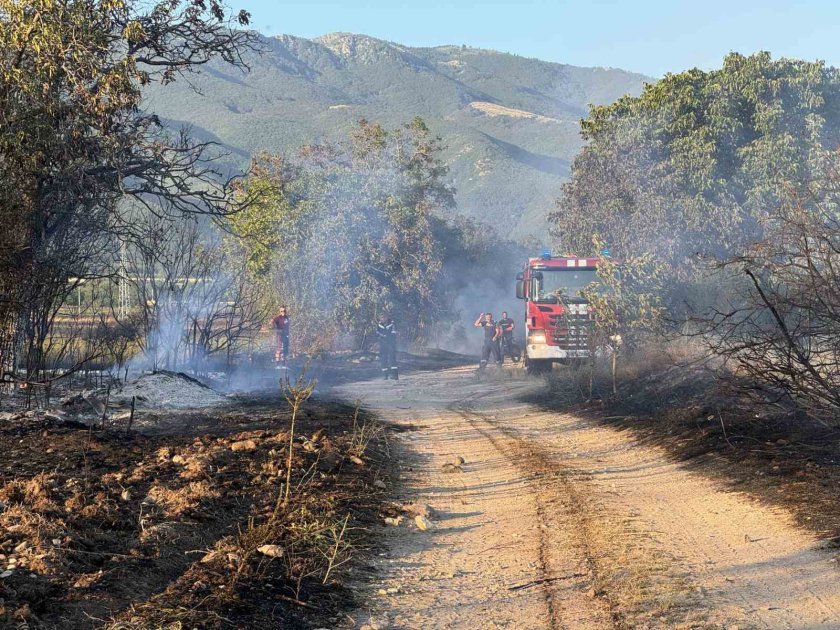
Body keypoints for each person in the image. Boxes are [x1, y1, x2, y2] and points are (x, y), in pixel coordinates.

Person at [376, 313, 398, 380]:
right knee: (383, 359)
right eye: (381, 317)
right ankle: (385, 375)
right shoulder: (379, 325)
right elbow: (377, 333)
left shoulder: (392, 324)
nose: (383, 319)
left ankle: (394, 375)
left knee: (392, 359)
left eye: (384, 317)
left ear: (387, 317)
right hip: (383, 344)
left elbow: (394, 333)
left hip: (391, 344)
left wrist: (387, 337)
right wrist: (380, 337)